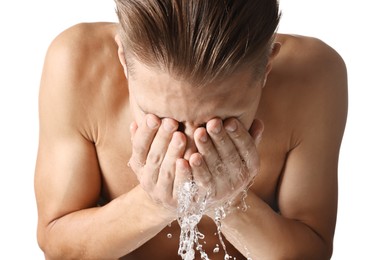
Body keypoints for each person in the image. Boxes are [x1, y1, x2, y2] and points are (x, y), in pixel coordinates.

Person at [34, 0, 348, 259]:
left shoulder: (314, 77)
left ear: (266, 68)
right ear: (123, 58)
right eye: (160, 119)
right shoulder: (76, 64)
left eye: (222, 122)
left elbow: (312, 254)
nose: (189, 150)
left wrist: (230, 203)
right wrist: (151, 204)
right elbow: (58, 250)